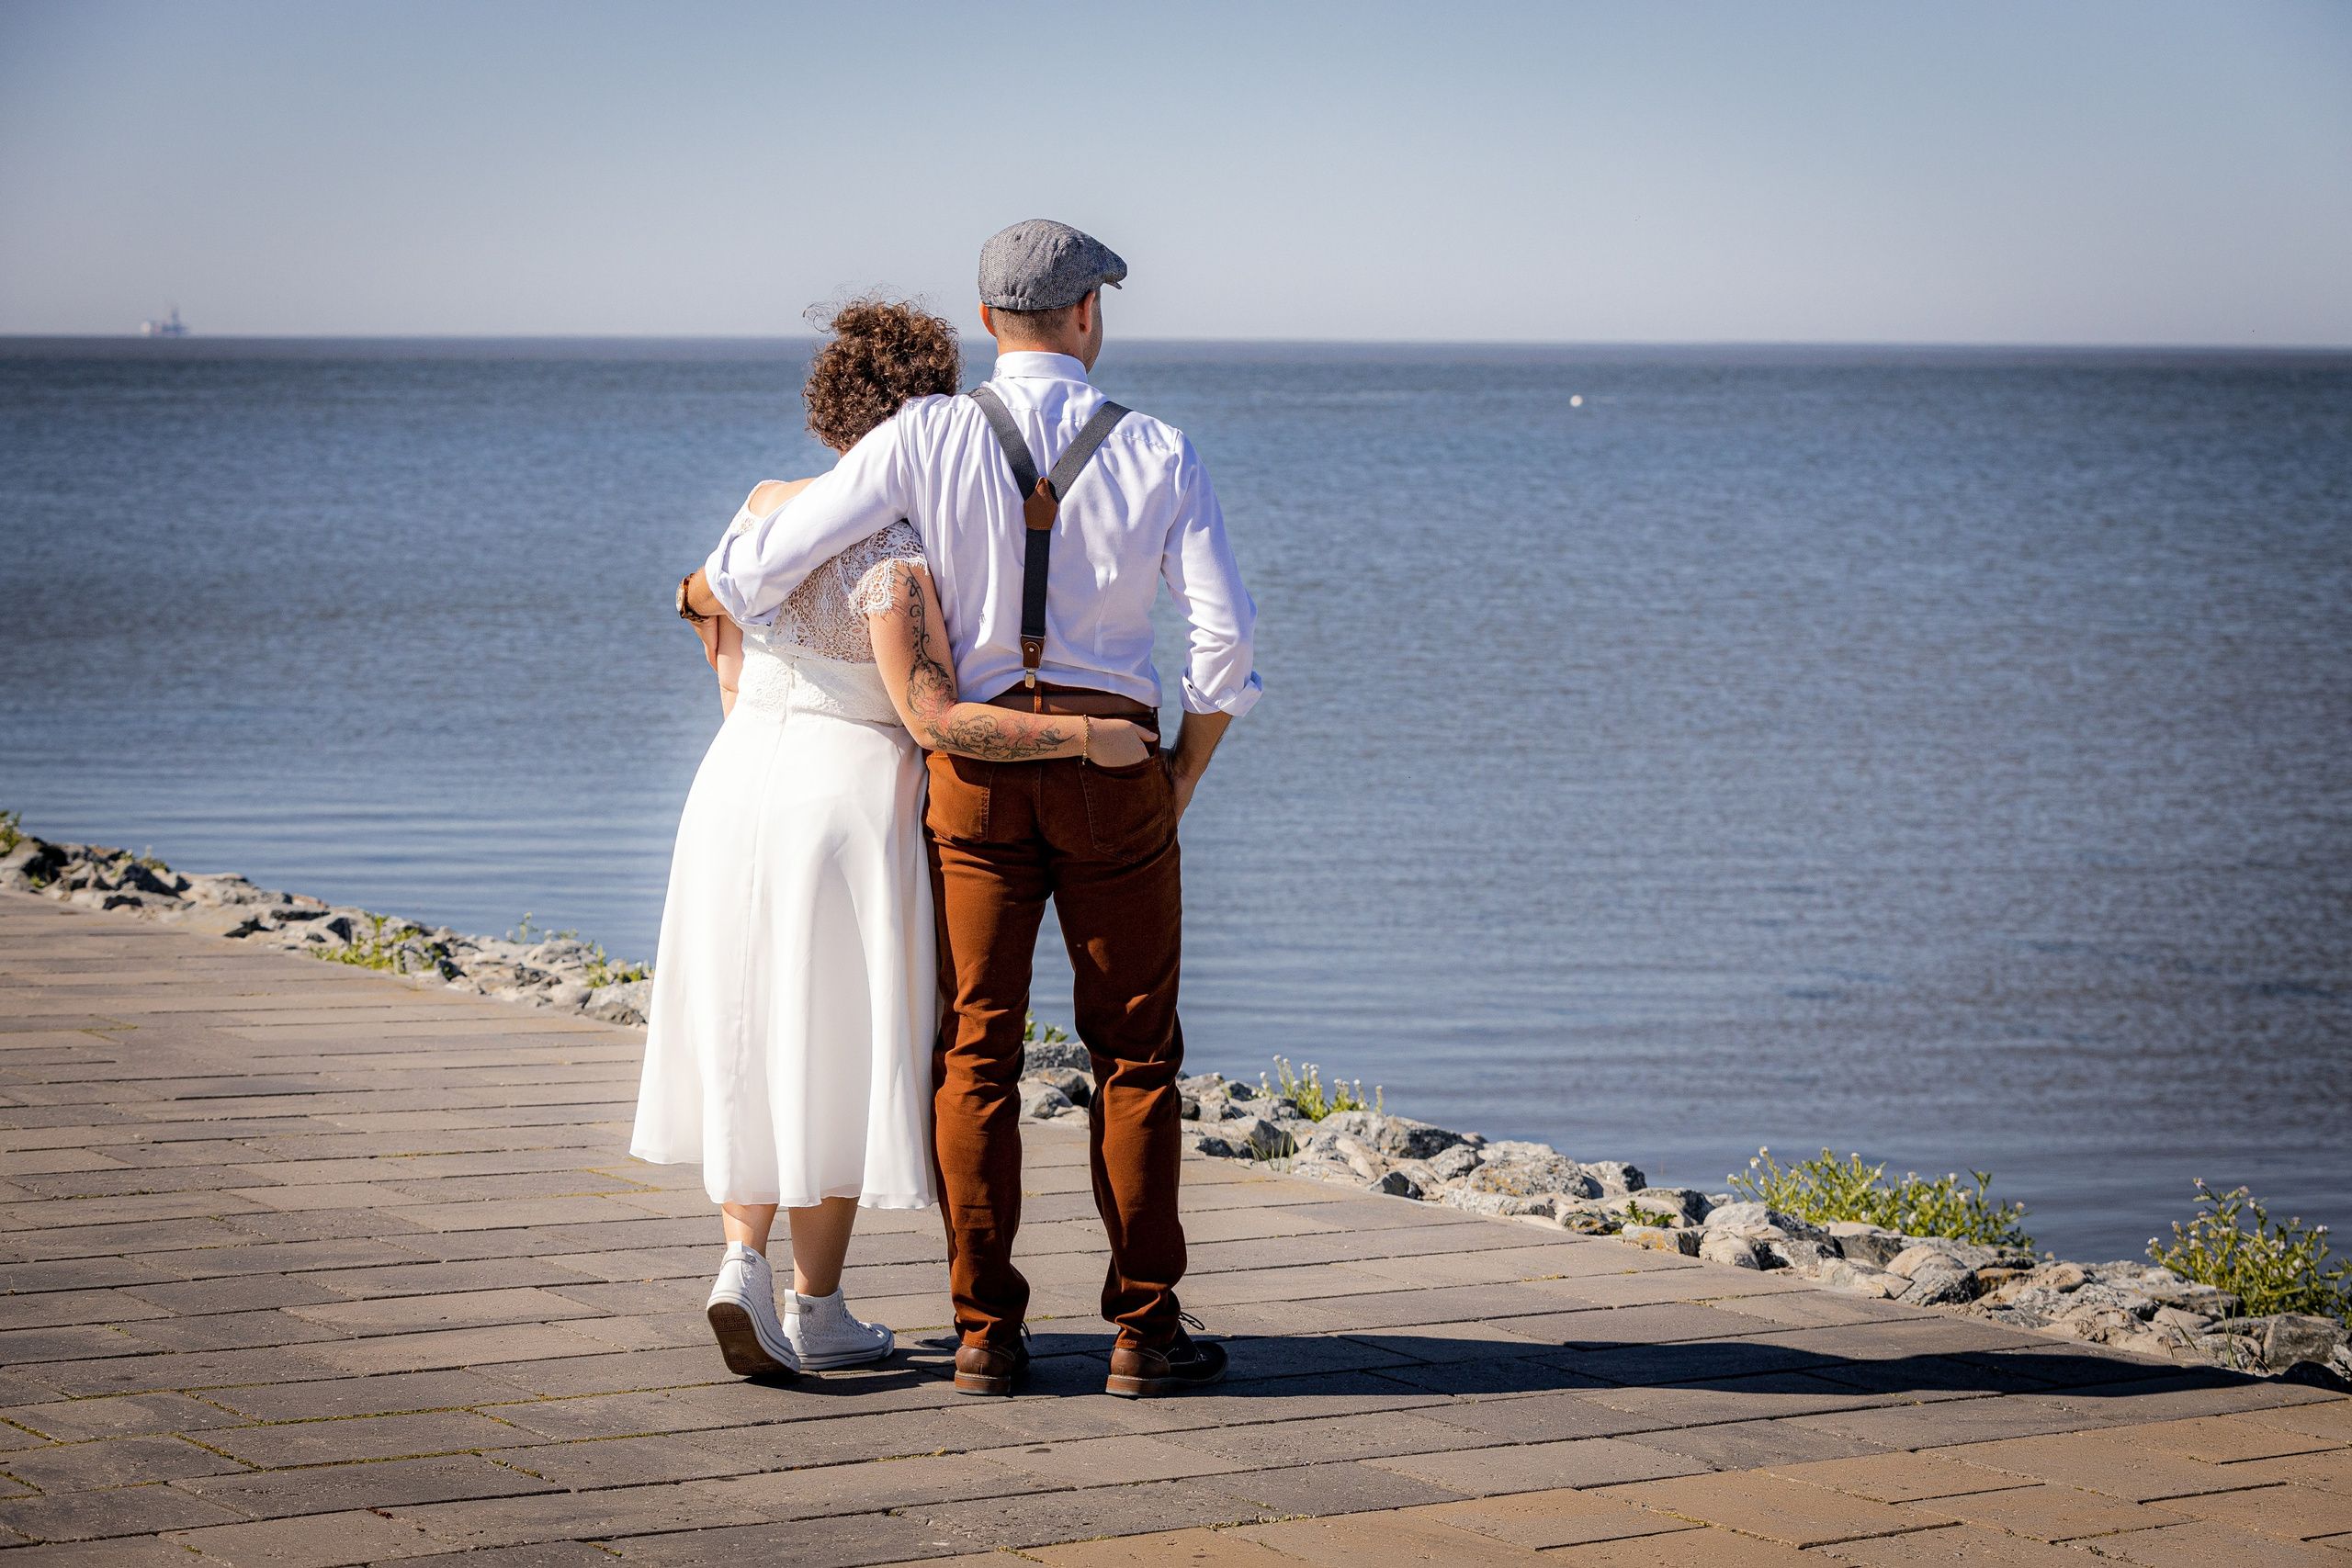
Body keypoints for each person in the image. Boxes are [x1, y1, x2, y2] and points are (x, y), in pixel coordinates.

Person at [684, 220, 1261, 1398]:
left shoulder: (923, 435)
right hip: (1111, 766)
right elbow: (1225, 642)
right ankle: (1145, 1330)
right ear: (1089, 315)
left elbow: (751, 571)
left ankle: (985, 1331)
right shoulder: (1159, 447)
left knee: (978, 1045)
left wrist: (722, 620)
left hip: (977, 772)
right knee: (1135, 1053)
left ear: (988, 321)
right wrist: (1178, 772)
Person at [633, 299, 1155, 1380]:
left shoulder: (759, 512)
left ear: (830, 408)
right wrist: (1087, 738)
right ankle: (814, 1302)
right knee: (832, 1038)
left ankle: (741, 1259)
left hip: (734, 786)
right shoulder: (898, 554)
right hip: (847, 797)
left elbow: (723, 661)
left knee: (749, 1021)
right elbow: (928, 716)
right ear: (923, 418)